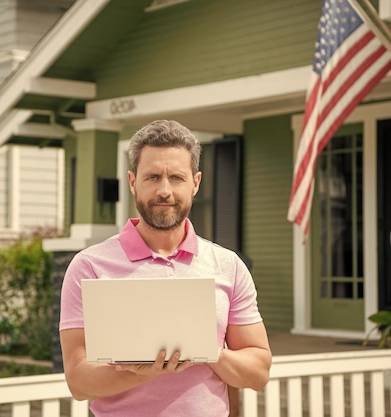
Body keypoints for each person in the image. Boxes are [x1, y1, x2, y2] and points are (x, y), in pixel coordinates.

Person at [59, 119, 272, 416]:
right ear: (133, 181)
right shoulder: (89, 267)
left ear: (196, 183)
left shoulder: (228, 266)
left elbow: (258, 372)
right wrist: (140, 371)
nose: (164, 191)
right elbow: (78, 382)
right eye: (152, 177)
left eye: (176, 178)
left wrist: (206, 350)